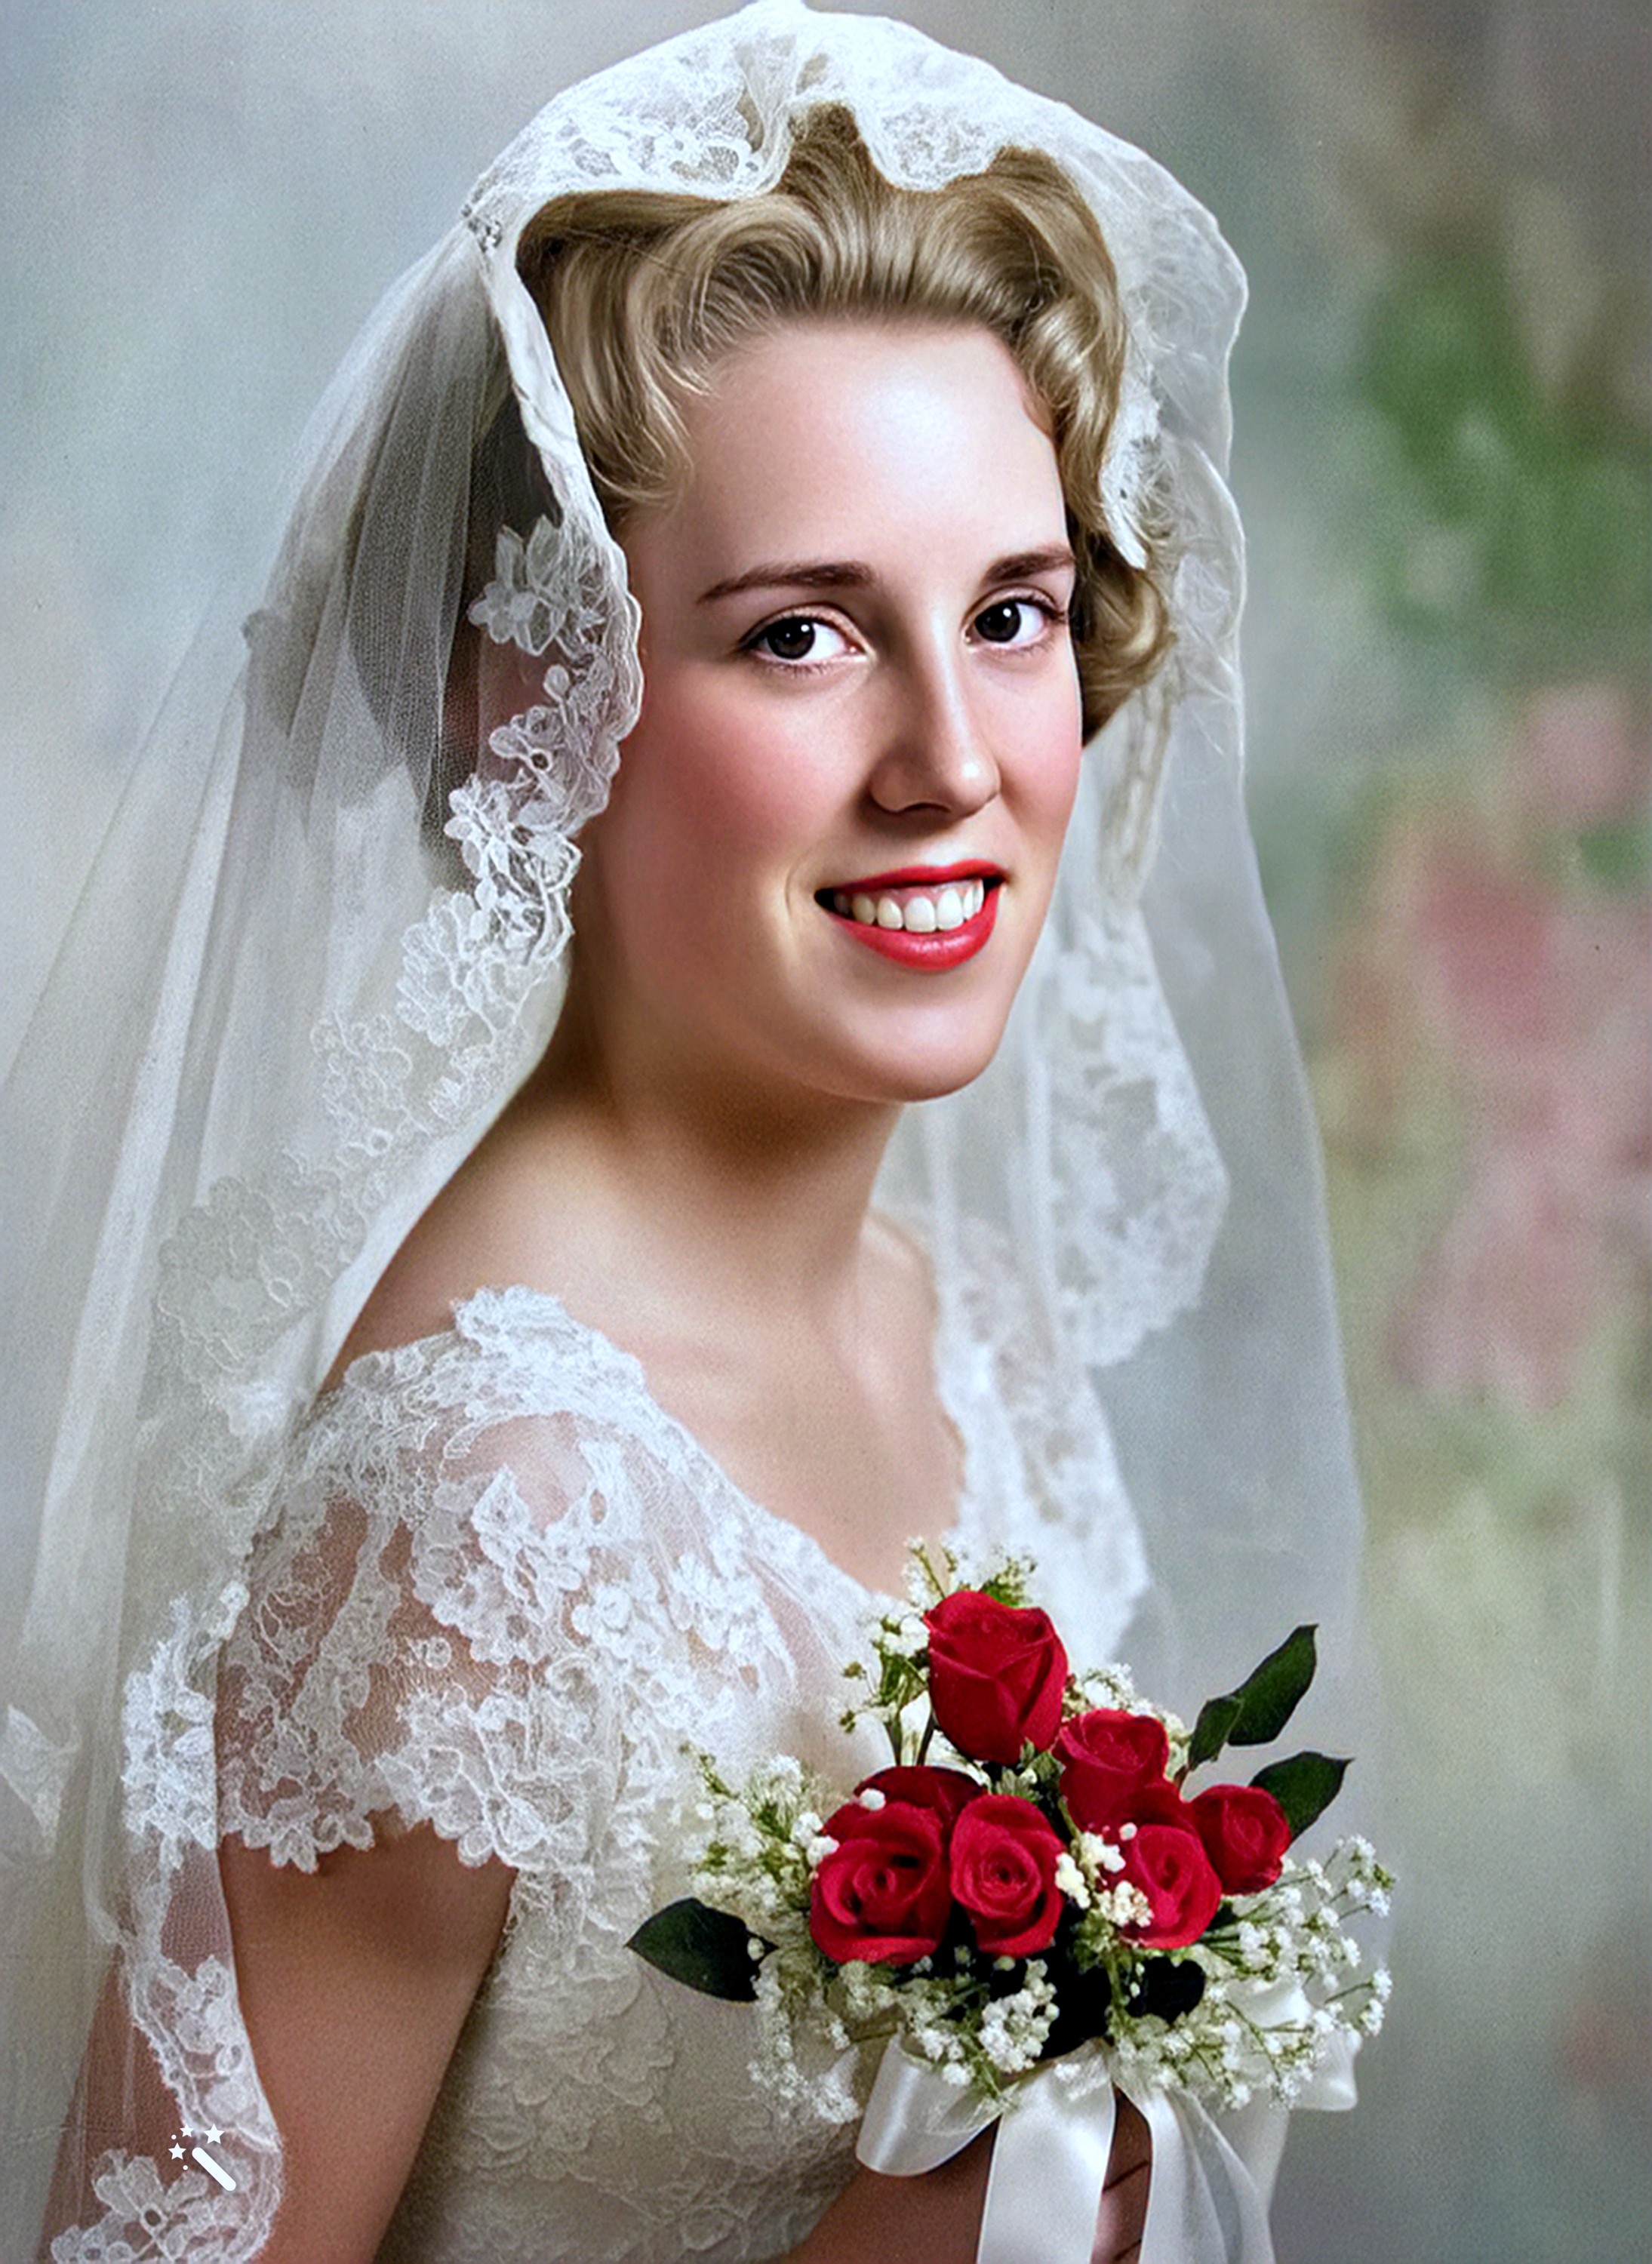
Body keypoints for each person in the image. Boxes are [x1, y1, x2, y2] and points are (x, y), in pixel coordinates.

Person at [2, 5, 1370, 2259]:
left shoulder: (962, 1323)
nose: (954, 759)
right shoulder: (471, 1513)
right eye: (803, 635)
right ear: (536, 703)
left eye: (1011, 613)